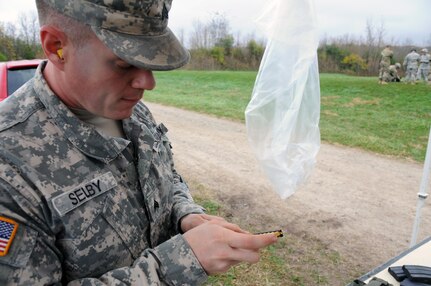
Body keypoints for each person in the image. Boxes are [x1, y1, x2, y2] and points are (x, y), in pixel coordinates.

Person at [0, 0, 279, 285]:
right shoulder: (9, 164)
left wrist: (185, 215)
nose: (147, 82)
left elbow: (165, 175)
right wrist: (180, 262)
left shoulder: (129, 110)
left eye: (148, 62)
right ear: (56, 46)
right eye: (124, 63)